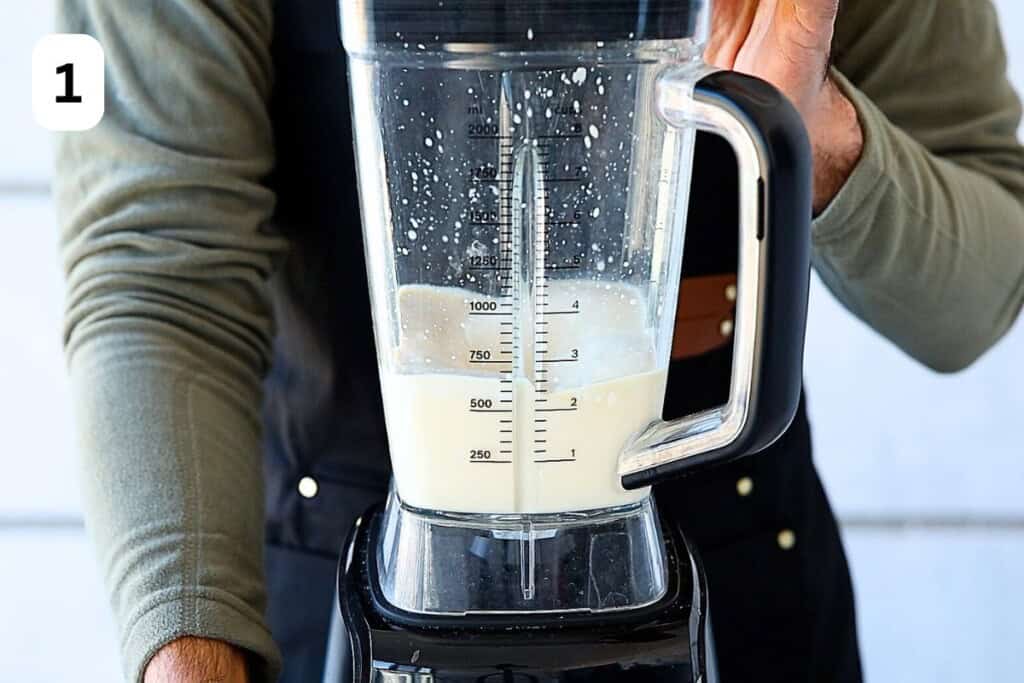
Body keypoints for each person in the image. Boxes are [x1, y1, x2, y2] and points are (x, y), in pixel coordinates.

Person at [54, 1, 1024, 682]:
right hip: (333, 580)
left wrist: (810, 133)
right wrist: (185, 651)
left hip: (736, 582)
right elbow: (156, 268)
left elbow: (977, 296)